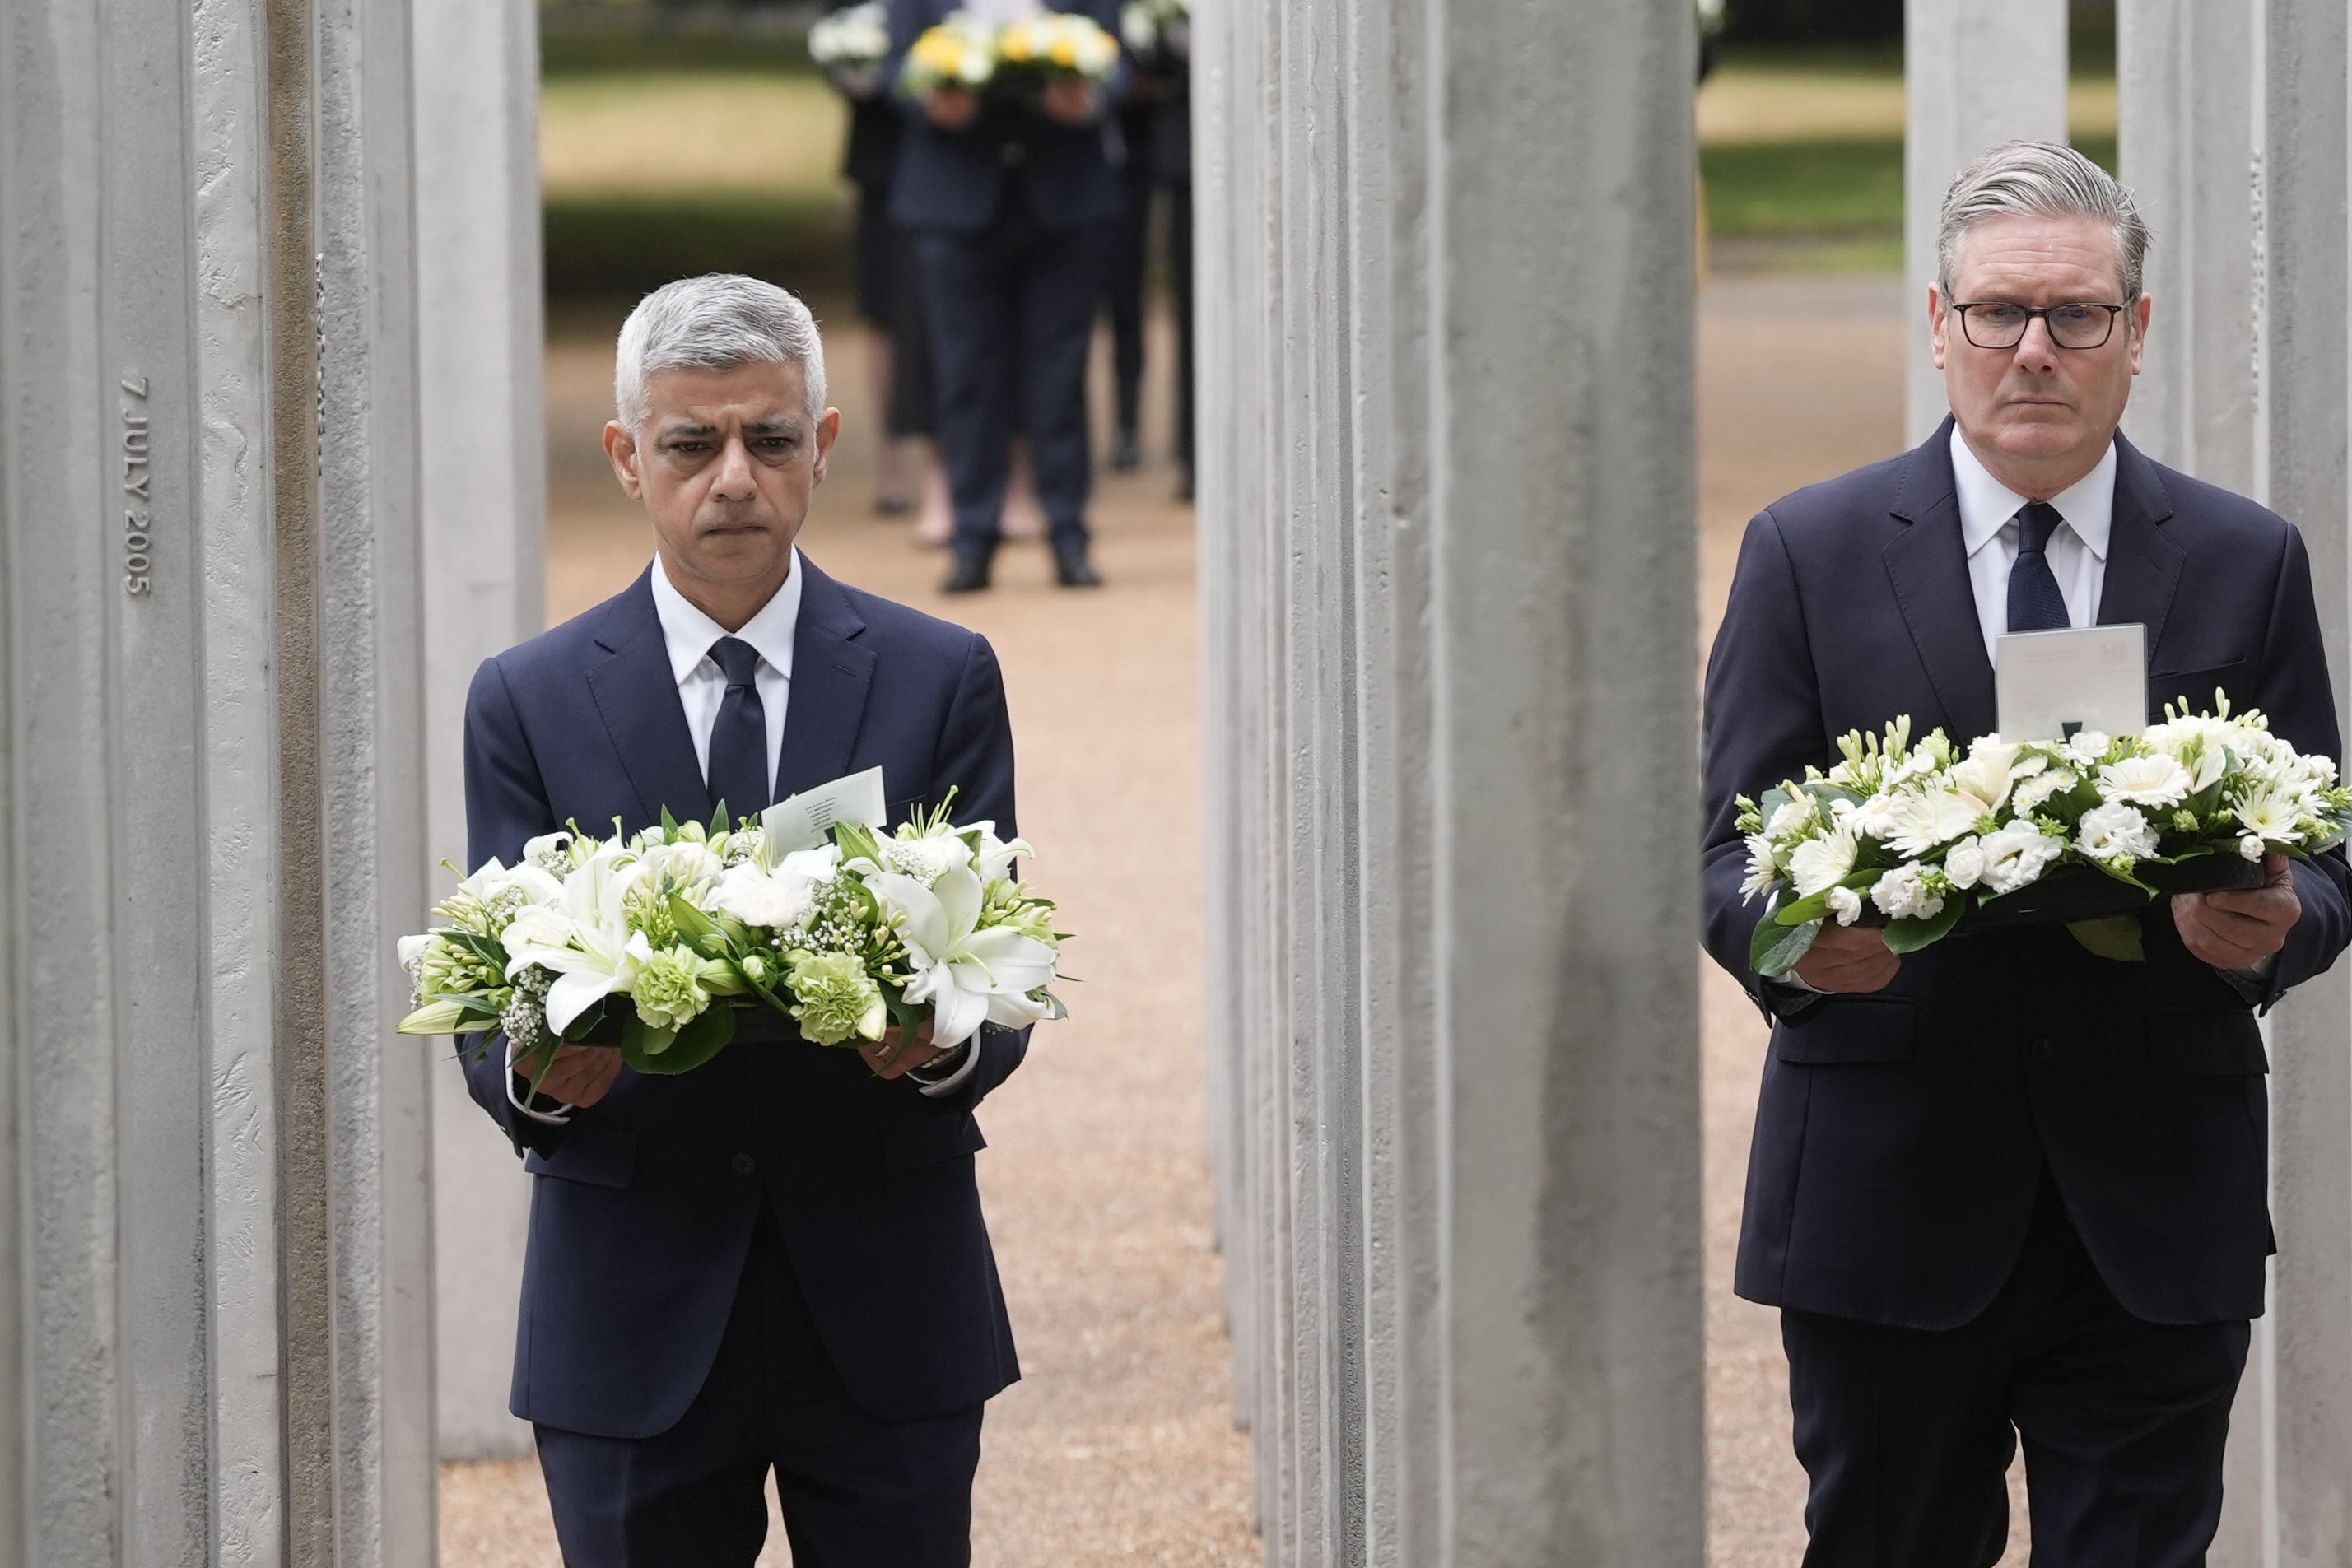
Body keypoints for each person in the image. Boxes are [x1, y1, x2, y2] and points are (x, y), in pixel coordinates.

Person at [1701, 141, 2352, 1566]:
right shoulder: (1804, 553)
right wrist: (1799, 947)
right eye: (1997, 312)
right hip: (1886, 1189)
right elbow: (1727, 859)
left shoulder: (2245, 558)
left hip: (2153, 1191)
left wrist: (2278, 919)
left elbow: (2326, 845)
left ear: (2136, 332)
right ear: (1937, 327)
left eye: (2076, 315)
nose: (2034, 350)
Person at [459, 274, 1029, 1566]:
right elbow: (491, 992)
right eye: (690, 443)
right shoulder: (528, 700)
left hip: (886, 1294)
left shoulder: (941, 676)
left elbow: (996, 969)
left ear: (823, 448)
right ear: (626, 457)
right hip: (629, 1304)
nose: (732, 479)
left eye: (769, 440)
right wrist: (540, 1077)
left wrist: (938, 1042)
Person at [887, 0, 1129, 593]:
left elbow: (1116, 58)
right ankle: (972, 539)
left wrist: (1091, 97)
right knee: (965, 376)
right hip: (955, 201)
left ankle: (1068, 533)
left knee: (1061, 374)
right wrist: (930, 99)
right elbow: (897, 65)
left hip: (1065, 200)